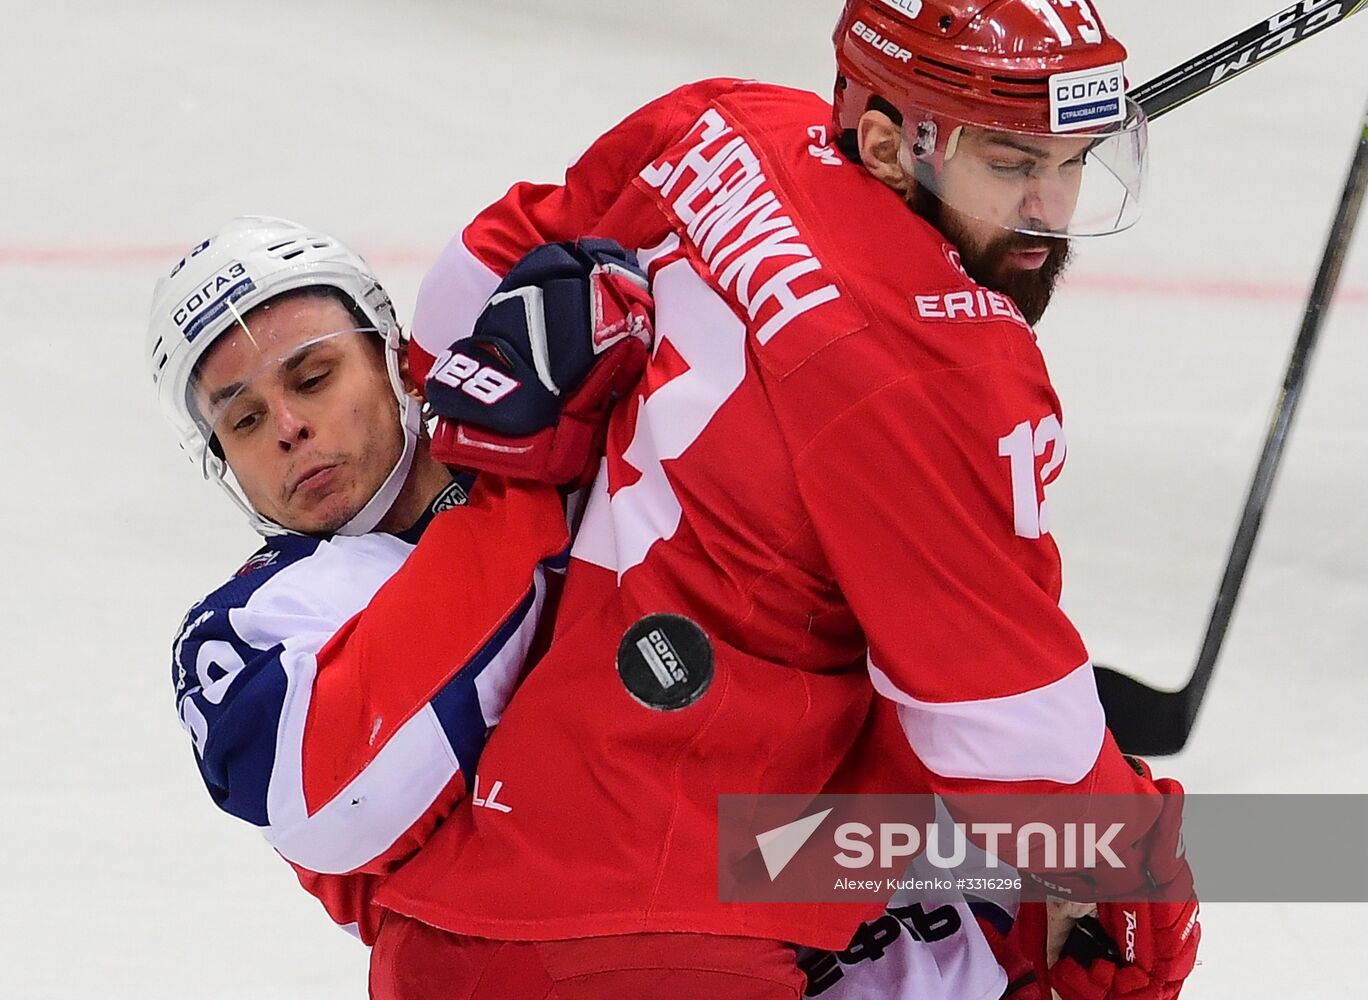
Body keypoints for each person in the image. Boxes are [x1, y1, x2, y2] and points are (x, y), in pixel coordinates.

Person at [366, 1, 1200, 998]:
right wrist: (1123, 862)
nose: (1051, 211)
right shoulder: (948, 368)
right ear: (890, 144)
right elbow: (1004, 731)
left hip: (457, 913)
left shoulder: (719, 125)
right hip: (676, 937)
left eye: (1074, 160)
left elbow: (473, 284)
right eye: (1013, 165)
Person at [146, 216, 650, 941]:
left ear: (398, 361)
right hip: (564, 952)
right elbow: (342, 806)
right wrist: (523, 479)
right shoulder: (248, 626)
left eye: (313, 377)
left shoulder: (529, 382)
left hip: (773, 871)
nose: (288, 426)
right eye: (246, 421)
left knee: (869, 866)